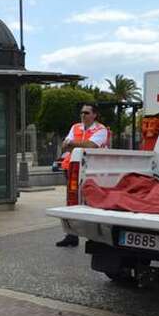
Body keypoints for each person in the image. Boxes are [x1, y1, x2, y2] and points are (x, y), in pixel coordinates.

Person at [56, 103, 109, 248]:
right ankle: (71, 235)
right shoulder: (75, 127)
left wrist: (72, 143)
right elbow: (64, 145)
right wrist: (77, 144)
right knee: (71, 201)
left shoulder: (101, 129)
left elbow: (92, 146)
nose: (83, 115)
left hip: (93, 170)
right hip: (72, 168)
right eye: (81, 113)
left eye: (86, 113)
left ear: (94, 115)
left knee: (93, 201)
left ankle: (97, 236)